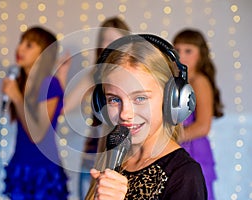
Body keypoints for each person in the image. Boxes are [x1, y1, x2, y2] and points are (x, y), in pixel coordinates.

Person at [85, 34, 207, 199]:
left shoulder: (184, 174)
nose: (125, 114)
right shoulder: (114, 159)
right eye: (114, 99)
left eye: (140, 98)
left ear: (171, 100)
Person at [1, 26, 68, 199]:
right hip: (20, 165)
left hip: (43, 170)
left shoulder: (49, 84)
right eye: (21, 42)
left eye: (29, 45)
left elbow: (37, 135)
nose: (20, 48)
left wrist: (16, 98)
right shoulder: (22, 83)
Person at [69, 16, 131, 199]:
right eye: (104, 39)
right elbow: (67, 105)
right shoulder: (94, 74)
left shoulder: (133, 76)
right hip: (94, 154)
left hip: (123, 155)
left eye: (114, 39)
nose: (108, 44)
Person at [172, 28, 224, 200]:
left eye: (188, 50)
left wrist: (171, 139)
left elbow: (203, 126)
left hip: (194, 149)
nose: (181, 55)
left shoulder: (199, 81)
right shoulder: (175, 81)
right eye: (177, 50)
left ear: (201, 54)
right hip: (181, 147)